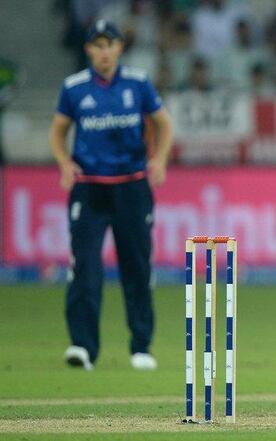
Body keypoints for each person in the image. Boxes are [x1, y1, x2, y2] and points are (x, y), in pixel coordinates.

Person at [49, 20, 173, 371]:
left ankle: (141, 346)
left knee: (136, 267)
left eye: (110, 44)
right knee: (84, 267)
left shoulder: (137, 83)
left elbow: (164, 122)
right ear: (88, 50)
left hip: (131, 186)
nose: (104, 52)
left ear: (120, 48)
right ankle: (83, 347)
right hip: (88, 188)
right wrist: (63, 163)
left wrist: (160, 159)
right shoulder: (74, 87)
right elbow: (58, 132)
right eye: (98, 45)